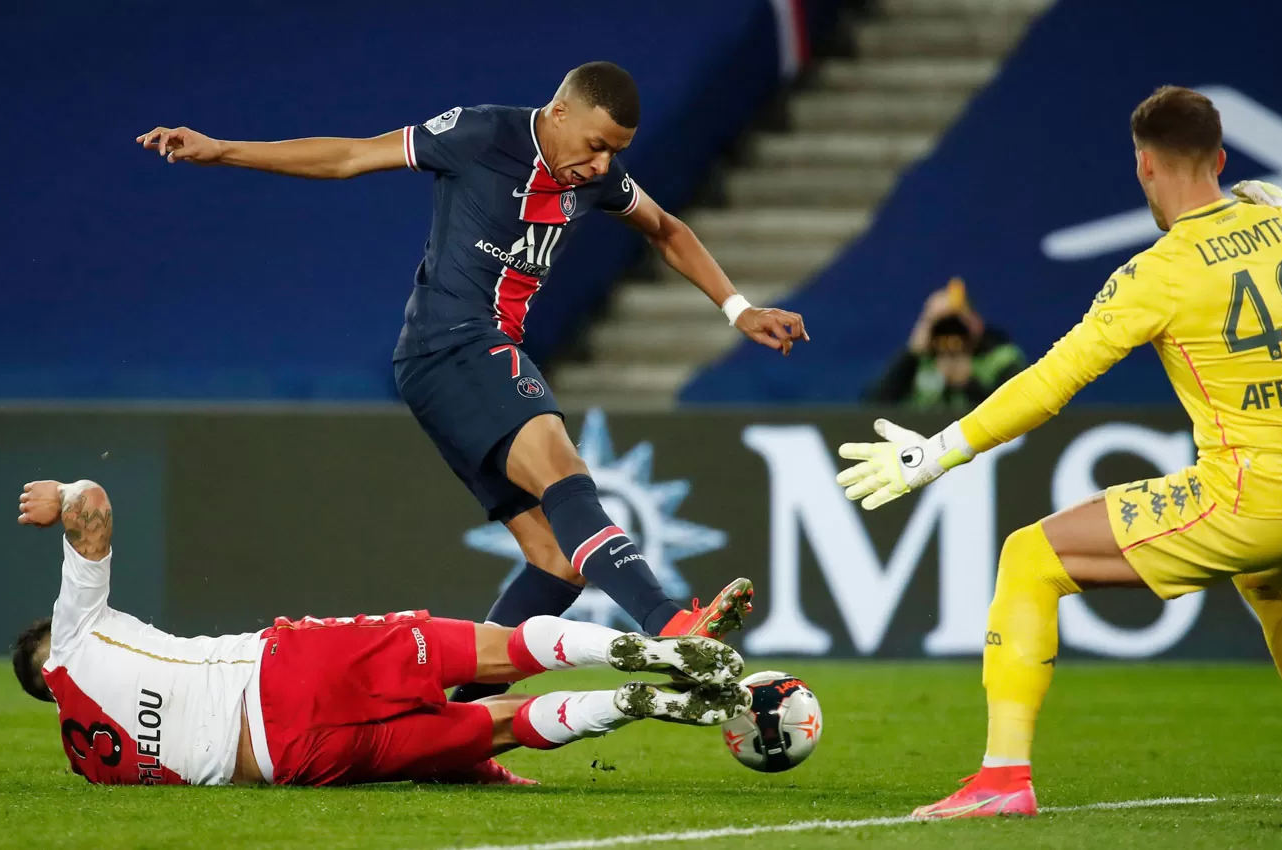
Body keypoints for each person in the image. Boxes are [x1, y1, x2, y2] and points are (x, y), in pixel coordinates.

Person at [136, 62, 808, 705]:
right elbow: (349, 156)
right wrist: (221, 150)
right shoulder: (482, 134)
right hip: (452, 343)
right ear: (562, 110)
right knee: (562, 468)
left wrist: (738, 308)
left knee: (556, 561)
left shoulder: (594, 177)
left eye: (617, 151)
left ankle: (457, 720)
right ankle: (667, 626)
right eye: (598, 144)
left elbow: (665, 229)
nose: (603, 164)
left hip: (462, 361)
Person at [835, 86, 1282, 819]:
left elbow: (1048, 384)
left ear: (1143, 166)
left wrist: (936, 453)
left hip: (1250, 499)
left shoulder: (1158, 272)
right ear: (1222, 160)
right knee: (1268, 583)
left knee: (1028, 559)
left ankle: (1004, 780)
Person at [11, 478, 751, 787]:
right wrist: (65, 493)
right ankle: (669, 651)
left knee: (502, 724)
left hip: (297, 763)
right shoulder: (74, 638)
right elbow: (94, 512)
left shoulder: (90, 765)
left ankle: (639, 700)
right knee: (498, 651)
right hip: (281, 674)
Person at [870, 278, 1025, 411]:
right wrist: (910, 355)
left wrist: (969, 384)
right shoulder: (918, 360)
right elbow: (872, 409)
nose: (948, 330)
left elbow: (1016, 414)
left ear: (975, 322)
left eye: (954, 320)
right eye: (938, 321)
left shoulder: (1001, 359)